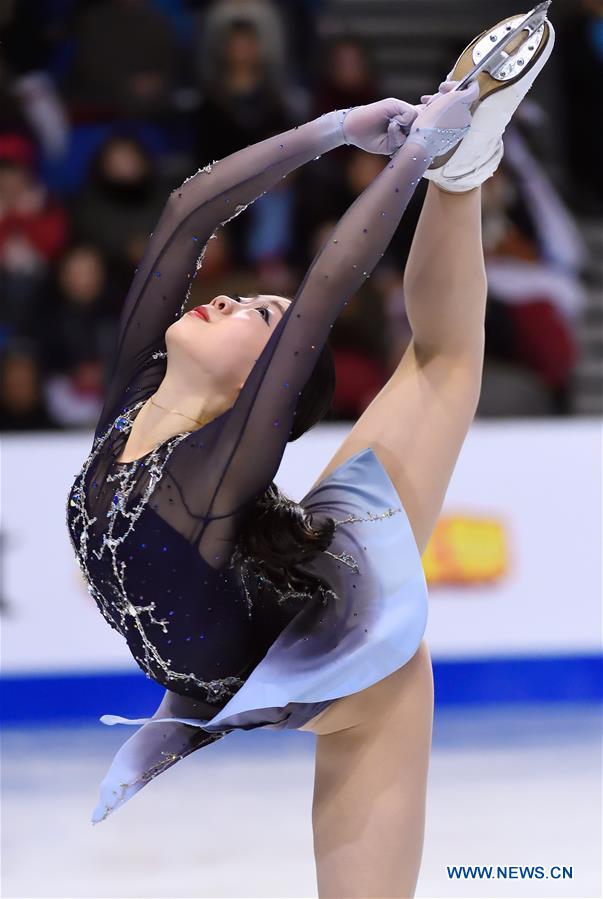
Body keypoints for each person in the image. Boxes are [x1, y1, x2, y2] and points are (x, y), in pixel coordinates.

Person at [66, 9, 554, 896]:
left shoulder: (205, 477)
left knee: (442, 364)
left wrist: (415, 157)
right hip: (274, 583)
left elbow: (329, 284)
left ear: (268, 387)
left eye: (259, 317)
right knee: (441, 365)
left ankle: (461, 172)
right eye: (246, 295)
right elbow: (187, 209)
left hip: (335, 657)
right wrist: (333, 130)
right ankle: (464, 167)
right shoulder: (134, 396)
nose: (231, 301)